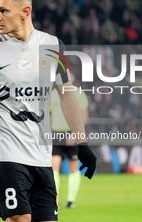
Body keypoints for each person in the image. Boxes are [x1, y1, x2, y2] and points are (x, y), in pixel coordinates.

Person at [0, 0, 96, 222]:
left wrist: (82, 143)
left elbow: (66, 95)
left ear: (25, 12)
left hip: (41, 157)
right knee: (20, 219)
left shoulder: (52, 45)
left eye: (3, 11)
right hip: (5, 156)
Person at [50, 75, 89, 209]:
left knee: (73, 167)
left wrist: (75, 133)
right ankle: (55, 199)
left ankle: (71, 200)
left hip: (71, 132)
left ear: (73, 78)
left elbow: (83, 116)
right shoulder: (53, 94)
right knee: (54, 166)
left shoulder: (79, 93)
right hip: (56, 133)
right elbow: (51, 116)